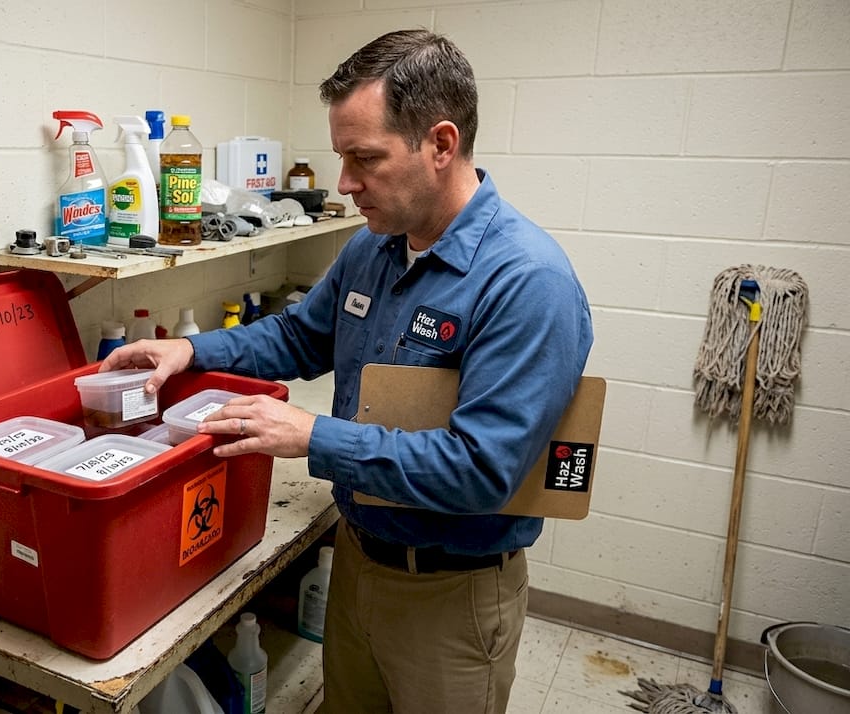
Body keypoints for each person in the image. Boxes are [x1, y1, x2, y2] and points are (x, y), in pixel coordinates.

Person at [101, 28, 593, 714]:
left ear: (441, 145)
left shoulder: (526, 283)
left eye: (366, 158)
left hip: (451, 594)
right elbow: (301, 338)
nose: (345, 183)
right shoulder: (375, 249)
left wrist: (314, 436)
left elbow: (483, 470)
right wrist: (194, 351)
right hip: (359, 559)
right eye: (341, 157)